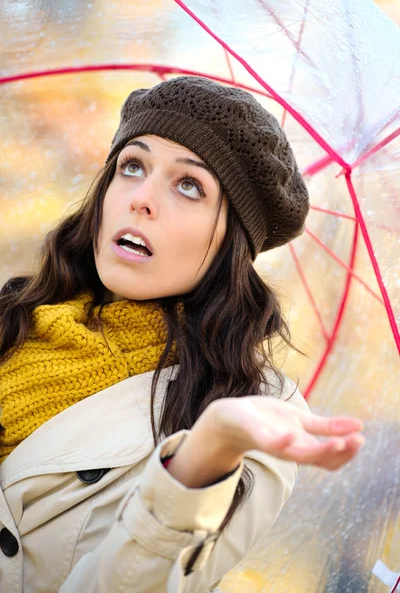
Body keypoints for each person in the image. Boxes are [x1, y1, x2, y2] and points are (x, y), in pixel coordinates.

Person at [0, 76, 365, 593]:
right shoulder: (14, 314)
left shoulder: (248, 412)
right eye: (132, 166)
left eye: (189, 185)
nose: (141, 199)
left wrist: (202, 459)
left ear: (229, 244)